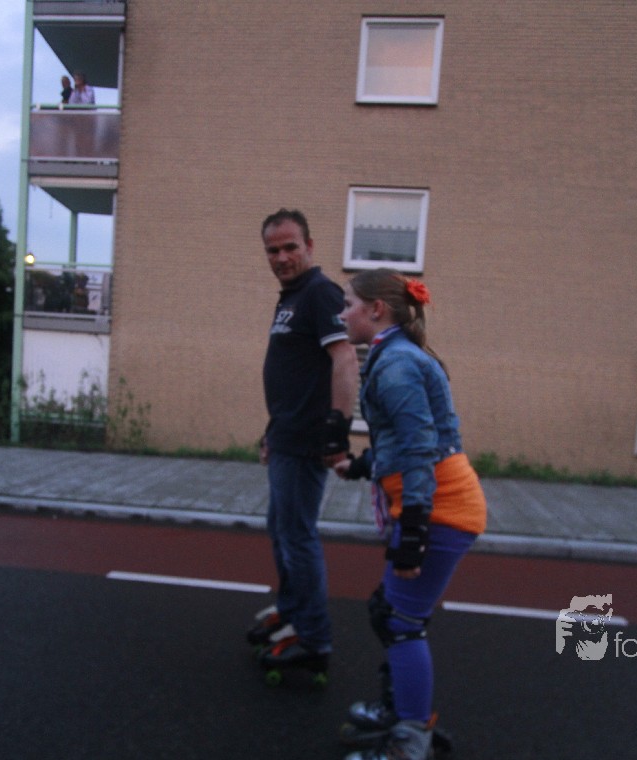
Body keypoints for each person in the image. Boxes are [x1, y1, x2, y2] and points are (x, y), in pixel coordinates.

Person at [333, 268, 487, 760]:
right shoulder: (395, 354)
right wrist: (361, 466)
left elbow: (420, 449)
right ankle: (400, 709)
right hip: (435, 502)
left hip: (440, 508)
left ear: (376, 309)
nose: (342, 314)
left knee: (400, 621)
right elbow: (405, 440)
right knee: (392, 612)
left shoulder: (397, 363)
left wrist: (414, 532)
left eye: (348, 304)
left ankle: (410, 740)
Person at [249, 208, 358, 676]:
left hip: (307, 443)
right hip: (286, 438)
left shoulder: (319, 292)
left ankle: (314, 640)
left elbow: (345, 359)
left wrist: (337, 430)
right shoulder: (292, 297)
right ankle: (292, 611)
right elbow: (294, 374)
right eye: (273, 250)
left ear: (309, 247)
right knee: (282, 530)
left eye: (290, 247)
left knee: (298, 537)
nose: (281, 257)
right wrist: (272, 432)